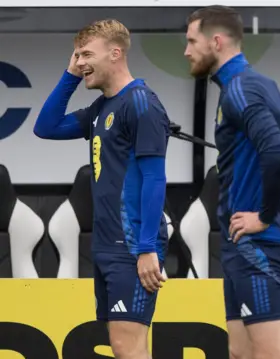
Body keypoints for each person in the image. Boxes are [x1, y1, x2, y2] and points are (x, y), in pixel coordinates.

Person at [33, 19, 170, 359]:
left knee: (128, 348)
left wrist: (146, 248)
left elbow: (155, 179)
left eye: (86, 55)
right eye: (76, 56)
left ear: (115, 52)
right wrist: (70, 75)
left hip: (133, 244)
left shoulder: (141, 103)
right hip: (106, 245)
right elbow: (45, 127)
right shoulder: (101, 107)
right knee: (125, 346)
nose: (80, 63)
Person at [183, 5, 280, 359]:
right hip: (241, 247)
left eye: (191, 41)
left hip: (257, 245)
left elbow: (278, 150)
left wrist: (265, 214)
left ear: (216, 41)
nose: (186, 51)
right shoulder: (252, 85)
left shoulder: (240, 89)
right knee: (239, 353)